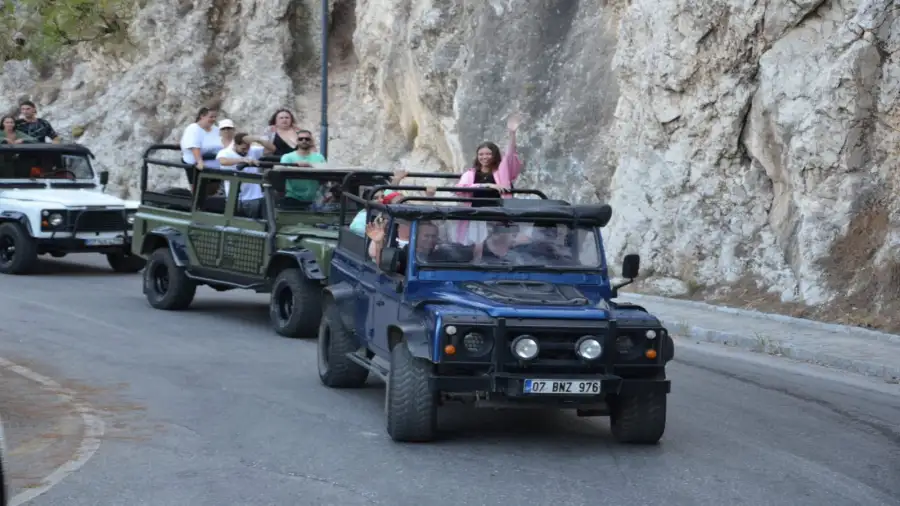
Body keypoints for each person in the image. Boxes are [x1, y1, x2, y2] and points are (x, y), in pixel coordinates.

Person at [453, 113, 524, 244]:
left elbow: (510, 155)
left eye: (488, 154)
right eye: (481, 154)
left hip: (499, 217)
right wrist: (486, 186)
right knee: (475, 248)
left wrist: (512, 134)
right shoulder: (470, 174)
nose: (484, 157)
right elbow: (459, 190)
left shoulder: (502, 171)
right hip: (476, 217)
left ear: (495, 155)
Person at [216, 132, 277, 219]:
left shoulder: (253, 150)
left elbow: (272, 149)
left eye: (248, 148)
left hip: (254, 197)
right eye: (243, 148)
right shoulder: (225, 152)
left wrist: (257, 139)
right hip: (235, 197)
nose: (246, 151)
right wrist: (242, 160)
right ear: (235, 144)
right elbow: (223, 161)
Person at [366, 219, 440, 274]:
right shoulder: (404, 253)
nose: (430, 239)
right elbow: (383, 266)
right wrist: (379, 242)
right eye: (426, 236)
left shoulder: (442, 254)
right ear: (416, 236)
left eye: (433, 236)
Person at [278, 129, 327, 208]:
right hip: (292, 197)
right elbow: (281, 174)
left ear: (311, 141)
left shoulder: (319, 157)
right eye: (301, 139)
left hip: (314, 199)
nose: (304, 141)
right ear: (297, 141)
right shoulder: (287, 157)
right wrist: (296, 166)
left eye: (307, 139)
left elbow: (325, 175)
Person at [180, 107, 223, 189]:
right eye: (211, 117)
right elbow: (195, 147)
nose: (214, 119)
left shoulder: (216, 129)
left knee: (213, 190)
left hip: (214, 164)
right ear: (202, 116)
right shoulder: (193, 128)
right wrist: (199, 162)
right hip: (196, 164)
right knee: (200, 190)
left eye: (215, 117)